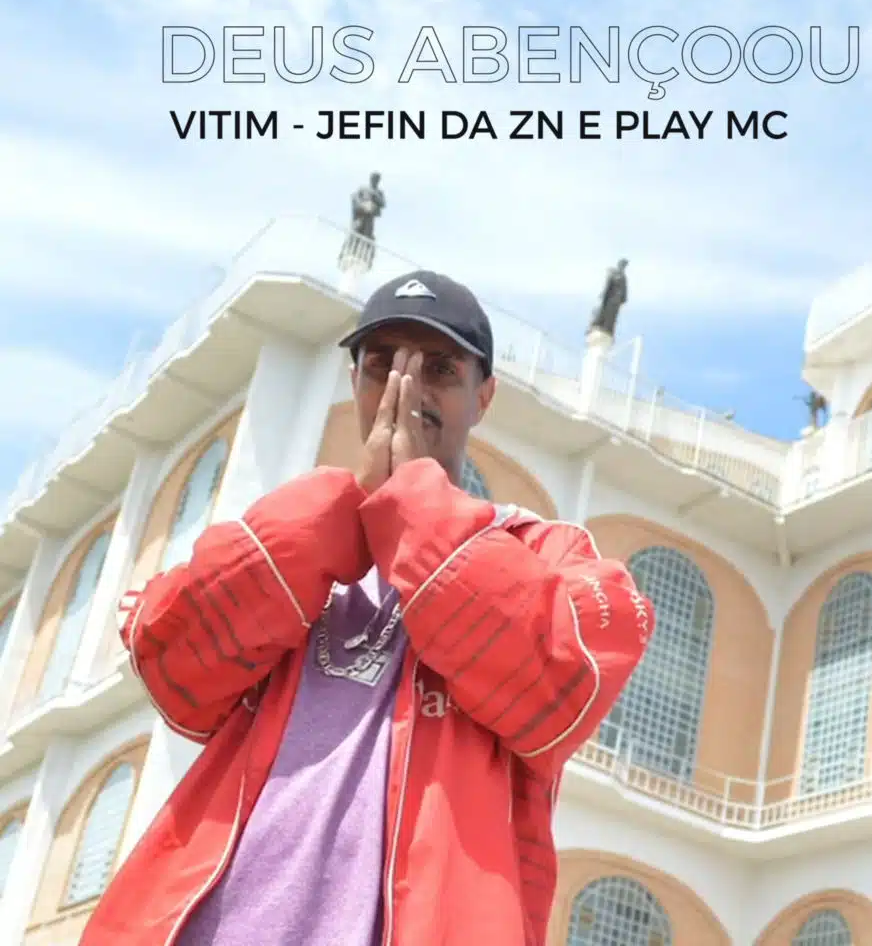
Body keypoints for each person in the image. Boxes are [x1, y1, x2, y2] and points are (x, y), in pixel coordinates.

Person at [82, 269, 653, 946]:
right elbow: (172, 664)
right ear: (354, 383)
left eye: (439, 369)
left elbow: (561, 688)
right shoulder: (297, 539)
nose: (406, 388)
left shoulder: (544, 552)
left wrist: (414, 504)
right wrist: (333, 521)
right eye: (382, 365)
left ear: (483, 397)